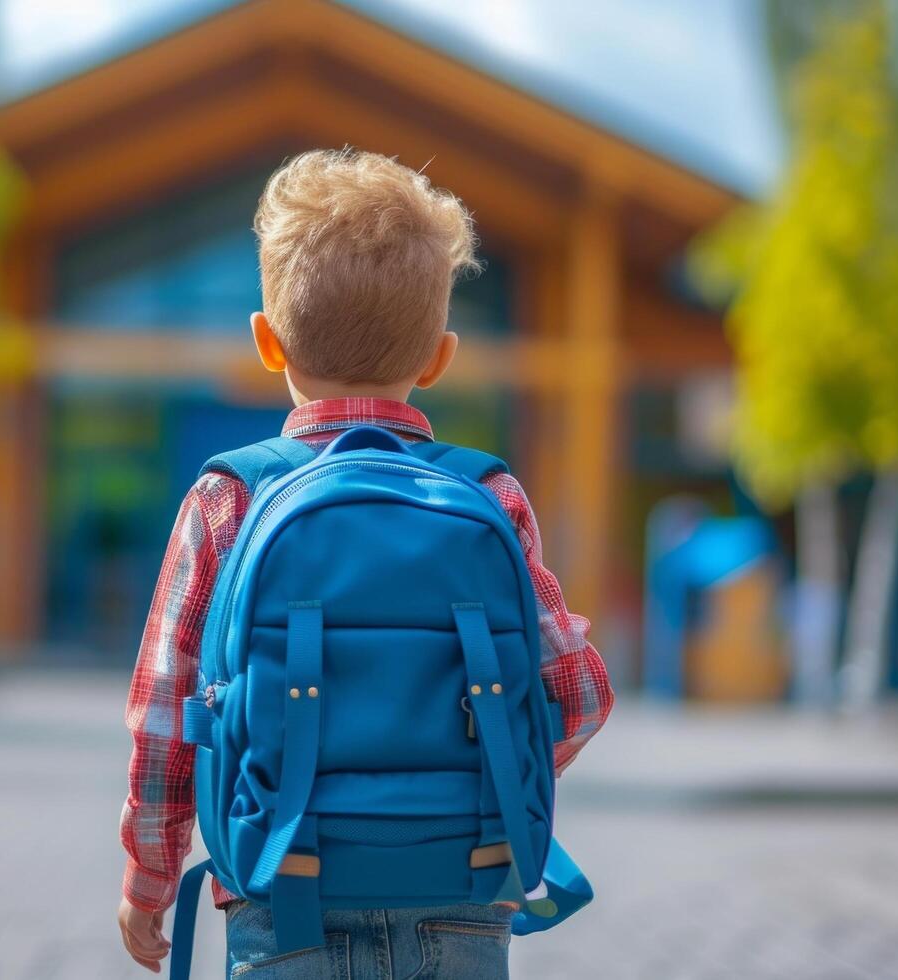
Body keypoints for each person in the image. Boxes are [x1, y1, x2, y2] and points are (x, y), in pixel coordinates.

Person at [117, 149, 613, 977]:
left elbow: (167, 717)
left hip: (281, 890)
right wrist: (479, 788)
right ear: (438, 357)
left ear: (267, 342)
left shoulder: (227, 498)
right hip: (462, 889)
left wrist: (148, 881)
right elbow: (581, 697)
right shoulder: (489, 493)